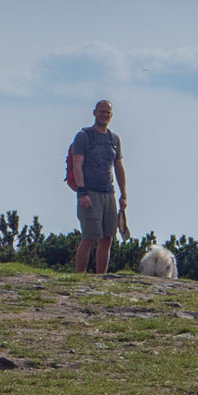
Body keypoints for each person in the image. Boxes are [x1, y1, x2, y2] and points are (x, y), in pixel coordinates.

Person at [64, 100, 125, 275]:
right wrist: (82, 192)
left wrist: (123, 194)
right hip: (90, 192)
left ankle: (101, 276)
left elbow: (119, 167)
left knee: (107, 238)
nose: (105, 115)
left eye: (108, 112)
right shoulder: (84, 136)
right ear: (95, 113)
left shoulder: (114, 139)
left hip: (109, 192)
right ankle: (80, 275)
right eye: (102, 112)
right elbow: (77, 164)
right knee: (89, 237)